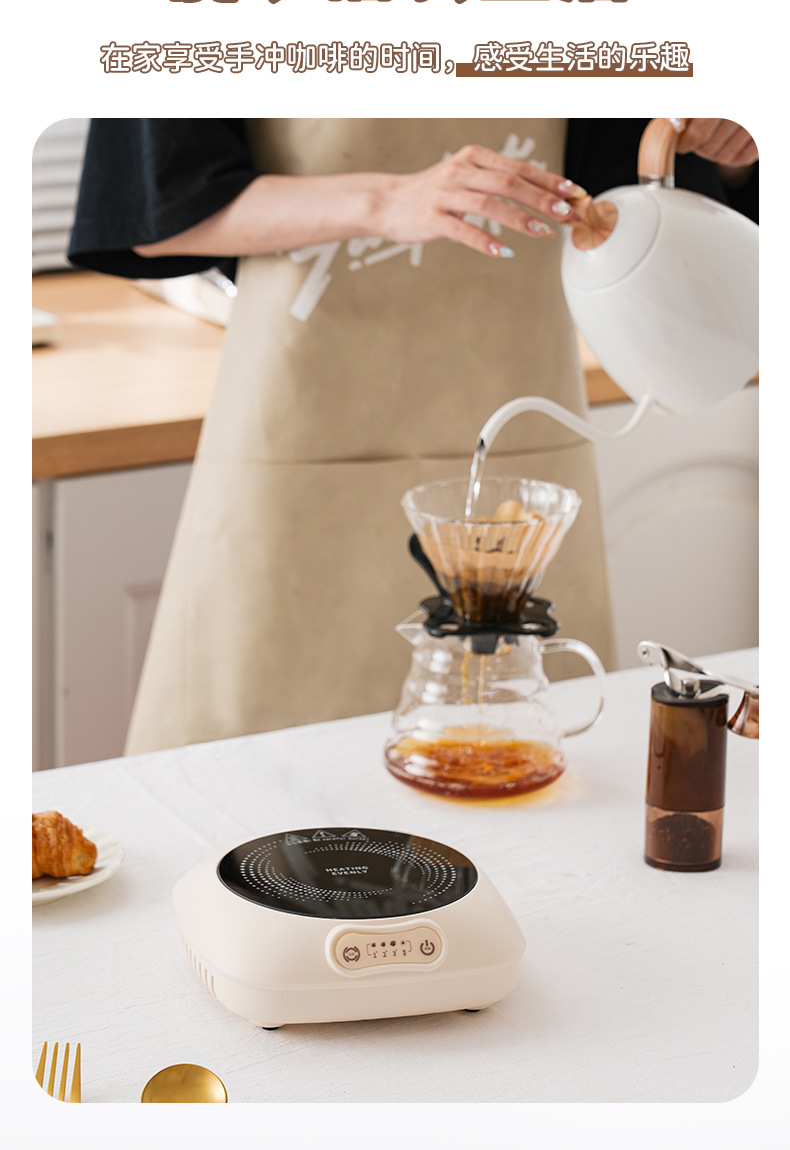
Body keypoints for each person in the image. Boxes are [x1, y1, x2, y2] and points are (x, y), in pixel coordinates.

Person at [69, 117, 757, 753]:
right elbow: (153, 210)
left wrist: (730, 144)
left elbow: (632, 183)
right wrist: (388, 200)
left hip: (518, 440)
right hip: (296, 439)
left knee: (537, 788)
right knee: (250, 801)